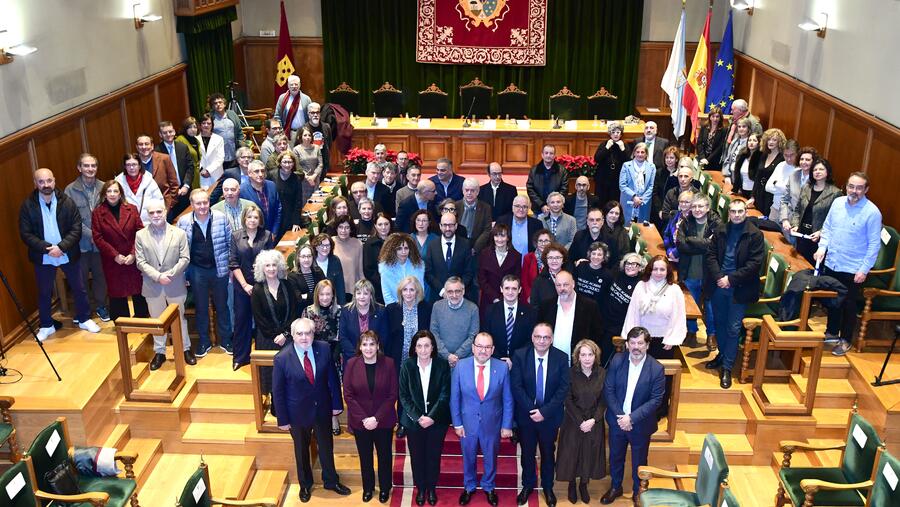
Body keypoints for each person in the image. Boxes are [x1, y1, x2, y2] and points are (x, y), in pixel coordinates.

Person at [272, 318, 351, 503]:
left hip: (322, 409)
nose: (304, 337)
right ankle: (305, 485)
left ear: (313, 334)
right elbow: (278, 391)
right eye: (299, 333)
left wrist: (337, 404)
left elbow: (332, 378)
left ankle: (331, 481)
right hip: (297, 414)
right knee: (301, 451)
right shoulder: (282, 358)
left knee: (326, 447)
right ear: (292, 335)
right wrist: (282, 419)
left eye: (308, 333)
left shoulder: (323, 348)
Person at [21, 168, 102, 341]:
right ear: (35, 183)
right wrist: (47, 248)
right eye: (41, 182)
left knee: (79, 288)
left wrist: (62, 247)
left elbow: (76, 227)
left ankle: (84, 318)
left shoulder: (67, 202)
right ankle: (46, 325)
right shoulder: (28, 205)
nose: (46, 185)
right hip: (43, 255)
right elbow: (25, 233)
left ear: (54, 181)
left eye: (49, 181)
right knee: (44, 292)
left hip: (67, 252)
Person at [815, 171, 882, 356]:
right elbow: (827, 228)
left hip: (853, 268)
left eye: (859, 188)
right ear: (846, 186)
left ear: (866, 189)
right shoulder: (837, 203)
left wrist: (864, 269)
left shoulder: (872, 212)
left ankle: (845, 339)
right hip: (832, 262)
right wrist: (822, 248)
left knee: (848, 305)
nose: (854, 191)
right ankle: (831, 332)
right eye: (851, 186)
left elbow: (874, 245)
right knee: (832, 300)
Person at [601, 327, 665, 506]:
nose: (636, 347)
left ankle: (639, 492)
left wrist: (632, 418)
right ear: (628, 344)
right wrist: (622, 417)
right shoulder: (617, 360)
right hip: (617, 421)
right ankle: (616, 486)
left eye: (640, 343)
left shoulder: (657, 368)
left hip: (640, 424)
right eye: (633, 343)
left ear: (647, 345)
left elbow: (656, 400)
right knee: (615, 456)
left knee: (639, 460)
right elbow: (609, 389)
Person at [705, 199, 765, 389]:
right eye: (733, 212)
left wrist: (730, 279)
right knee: (720, 323)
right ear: (728, 213)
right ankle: (722, 355)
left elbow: (754, 264)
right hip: (718, 286)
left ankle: (728, 367)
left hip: (739, 288)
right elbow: (711, 255)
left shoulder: (755, 235)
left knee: (733, 327)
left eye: (740, 211)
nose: (737, 215)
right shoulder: (721, 230)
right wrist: (719, 277)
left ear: (746, 212)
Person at [511, 322, 571, 507]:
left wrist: (544, 412)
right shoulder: (521, 355)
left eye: (546, 337)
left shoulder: (561, 358)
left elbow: (563, 389)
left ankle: (547, 487)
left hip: (549, 417)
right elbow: (517, 386)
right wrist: (532, 410)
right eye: (538, 337)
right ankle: (528, 485)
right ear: (532, 337)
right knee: (527, 453)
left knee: (547, 453)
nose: (542, 341)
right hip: (526, 417)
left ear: (551, 339)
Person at [451, 332, 514, 507]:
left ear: (493, 349)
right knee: (468, 457)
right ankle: (469, 487)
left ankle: (489, 487)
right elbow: (454, 398)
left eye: (487, 347)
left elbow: (507, 398)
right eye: (479, 346)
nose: (483, 351)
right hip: (467, 424)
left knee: (490, 458)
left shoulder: (501, 368)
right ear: (473, 348)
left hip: (492, 423)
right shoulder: (460, 367)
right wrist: (457, 423)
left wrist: (507, 424)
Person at [621, 256, 686, 416]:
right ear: (649, 269)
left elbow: (678, 316)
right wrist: (632, 339)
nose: (658, 272)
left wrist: (672, 339)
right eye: (655, 269)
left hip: (664, 341)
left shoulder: (674, 290)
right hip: (642, 341)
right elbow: (633, 312)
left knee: (661, 378)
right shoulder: (641, 286)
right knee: (641, 376)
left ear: (668, 271)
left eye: (662, 269)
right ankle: (637, 408)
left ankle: (660, 410)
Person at [134, 200, 194, 369]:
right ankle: (160, 352)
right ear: (147, 214)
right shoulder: (140, 235)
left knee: (180, 318)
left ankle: (185, 349)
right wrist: (158, 276)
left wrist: (170, 274)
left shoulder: (179, 233)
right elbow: (140, 262)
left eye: (159, 212)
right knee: (157, 321)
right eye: (151, 213)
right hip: (153, 285)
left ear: (165, 212)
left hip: (174, 283)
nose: (156, 216)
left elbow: (185, 258)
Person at [176, 189, 233, 357]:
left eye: (205, 202)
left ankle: (226, 340)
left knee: (223, 307)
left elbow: (230, 244)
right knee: (200, 307)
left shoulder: (221, 218)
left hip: (219, 269)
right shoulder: (184, 221)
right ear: (192, 205)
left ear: (210, 202)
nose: (202, 206)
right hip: (196, 270)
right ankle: (204, 341)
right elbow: (181, 249)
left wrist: (230, 268)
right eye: (198, 203)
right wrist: (185, 274)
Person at [343, 330, 398, 503]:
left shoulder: (389, 363)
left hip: (383, 421)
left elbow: (392, 394)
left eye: (372, 344)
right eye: (365, 344)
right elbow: (348, 395)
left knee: (384, 456)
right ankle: (368, 488)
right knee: (365, 457)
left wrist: (376, 418)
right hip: (361, 422)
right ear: (360, 346)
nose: (368, 348)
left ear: (378, 346)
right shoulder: (351, 364)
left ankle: (384, 488)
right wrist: (364, 419)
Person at [398, 330, 451, 506]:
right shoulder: (407, 365)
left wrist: (431, 417)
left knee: (433, 456)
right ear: (414, 348)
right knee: (417, 456)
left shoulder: (442, 365)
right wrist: (419, 417)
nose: (423, 349)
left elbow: (444, 395)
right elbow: (404, 396)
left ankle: (431, 488)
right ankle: (421, 488)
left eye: (426, 345)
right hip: (414, 423)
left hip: (437, 422)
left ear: (433, 347)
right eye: (419, 346)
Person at [556, 339, 607, 504]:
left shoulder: (602, 373)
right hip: (573, 420)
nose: (587, 358)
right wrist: (580, 421)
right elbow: (567, 399)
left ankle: (584, 485)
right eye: (583, 354)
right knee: (572, 454)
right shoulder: (570, 373)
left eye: (590, 354)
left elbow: (604, 400)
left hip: (594, 421)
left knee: (589, 454)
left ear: (595, 355)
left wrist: (593, 420)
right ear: (577, 356)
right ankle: (572, 484)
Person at [92, 179, 149, 321]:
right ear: (104, 194)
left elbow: (140, 233)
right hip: (112, 260)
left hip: (132, 258)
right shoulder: (98, 213)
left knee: (138, 289)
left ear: (120, 193)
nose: (112, 194)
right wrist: (115, 255)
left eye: (115, 191)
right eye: (109, 191)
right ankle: (122, 324)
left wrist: (133, 253)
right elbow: (98, 238)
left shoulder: (132, 209)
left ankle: (142, 319)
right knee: (117, 292)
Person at [250, 250, 297, 413]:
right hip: (267, 338)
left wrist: (285, 334)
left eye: (274, 265)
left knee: (290, 371)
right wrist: (275, 335)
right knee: (272, 373)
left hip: (288, 336)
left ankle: (289, 400)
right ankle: (275, 401)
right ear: (262, 268)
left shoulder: (287, 285)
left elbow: (294, 312)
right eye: (267, 265)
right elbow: (260, 319)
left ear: (280, 267)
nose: (271, 269)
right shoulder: (257, 290)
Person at [64, 153, 108, 322]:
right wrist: (91, 235)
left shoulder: (104, 187)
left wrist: (98, 236)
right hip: (80, 244)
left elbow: (108, 214)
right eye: (86, 166)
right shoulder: (70, 190)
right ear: (79, 168)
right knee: (80, 278)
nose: (90, 169)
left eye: (93, 166)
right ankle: (83, 310)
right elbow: (71, 218)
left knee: (100, 276)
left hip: (100, 243)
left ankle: (101, 306)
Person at [229, 204, 273, 370]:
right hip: (242, 286)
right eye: (249, 217)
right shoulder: (236, 236)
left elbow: (270, 262)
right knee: (242, 321)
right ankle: (240, 357)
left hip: (263, 286)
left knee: (264, 322)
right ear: (244, 219)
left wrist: (260, 285)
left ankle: (264, 357)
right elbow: (233, 263)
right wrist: (245, 285)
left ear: (260, 219)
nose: (252, 220)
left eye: (256, 217)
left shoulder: (267, 236)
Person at [677, 195, 722, 352]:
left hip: (710, 274)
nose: (697, 210)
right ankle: (691, 332)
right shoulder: (686, 222)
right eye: (694, 206)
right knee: (690, 305)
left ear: (708, 208)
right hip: (689, 271)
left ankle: (712, 334)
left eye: (701, 206)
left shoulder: (716, 223)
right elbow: (681, 245)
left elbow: (715, 245)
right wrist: (704, 243)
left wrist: (691, 240)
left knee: (710, 307)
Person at [301, 279, 344, 435]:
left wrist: (334, 355)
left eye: (328, 294)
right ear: (317, 295)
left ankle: (333, 417)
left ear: (333, 295)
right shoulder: (308, 311)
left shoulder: (340, 311)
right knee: (317, 388)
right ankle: (316, 417)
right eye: (322, 294)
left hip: (334, 354)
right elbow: (304, 336)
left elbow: (342, 336)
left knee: (333, 387)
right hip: (314, 354)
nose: (325, 297)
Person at [537, 270, 603, 359]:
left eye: (565, 284)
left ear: (573, 284)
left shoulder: (590, 306)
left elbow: (597, 335)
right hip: (552, 361)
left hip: (578, 362)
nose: (562, 288)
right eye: (558, 285)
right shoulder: (546, 306)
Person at [788, 158, 842, 264]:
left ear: (828, 172)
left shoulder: (835, 193)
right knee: (798, 264)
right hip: (802, 234)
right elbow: (798, 210)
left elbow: (835, 220)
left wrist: (821, 232)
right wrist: (795, 224)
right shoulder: (806, 188)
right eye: (815, 170)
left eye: (821, 169)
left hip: (818, 238)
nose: (817, 172)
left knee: (811, 268)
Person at [599, 253, 645, 366]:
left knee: (606, 354)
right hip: (602, 319)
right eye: (628, 263)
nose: (630, 266)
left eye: (635, 264)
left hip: (618, 326)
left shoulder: (641, 285)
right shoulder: (616, 274)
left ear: (640, 267)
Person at [424, 212, 476, 302]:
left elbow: (469, 272)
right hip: (437, 297)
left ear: (456, 226)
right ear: (440, 226)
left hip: (460, 298)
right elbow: (428, 273)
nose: (447, 229)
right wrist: (443, 291)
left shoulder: (466, 244)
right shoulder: (432, 245)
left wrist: (457, 290)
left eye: (451, 225)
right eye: (444, 225)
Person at [482, 275, 535, 364]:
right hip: (495, 361)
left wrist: (514, 359)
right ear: (501, 289)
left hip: (520, 362)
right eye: (507, 288)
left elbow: (530, 340)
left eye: (514, 289)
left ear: (520, 290)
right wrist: (500, 359)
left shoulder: (530, 312)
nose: (510, 292)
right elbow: (486, 336)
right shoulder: (490, 310)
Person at [430, 277, 479, 367]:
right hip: (441, 359)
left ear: (463, 291)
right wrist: (447, 355)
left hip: (465, 360)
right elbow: (434, 333)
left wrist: (456, 356)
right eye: (450, 292)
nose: (454, 295)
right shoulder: (437, 306)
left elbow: (473, 336)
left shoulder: (473, 308)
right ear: (445, 292)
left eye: (457, 291)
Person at [339, 279, 390, 363]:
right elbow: (343, 337)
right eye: (358, 293)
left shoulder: (381, 311)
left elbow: (384, 336)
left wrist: (371, 354)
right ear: (354, 295)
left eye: (365, 293)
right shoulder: (346, 311)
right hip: (352, 358)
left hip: (375, 358)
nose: (362, 296)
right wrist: (357, 355)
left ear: (371, 295)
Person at [477, 224, 522, 315]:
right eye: (496, 235)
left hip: (508, 299)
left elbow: (516, 279)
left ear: (508, 237)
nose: (499, 239)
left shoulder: (516, 256)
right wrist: (494, 297)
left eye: (502, 235)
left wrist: (503, 298)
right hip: (488, 299)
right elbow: (481, 279)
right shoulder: (484, 254)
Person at [155, 121, 194, 219]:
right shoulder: (156, 152)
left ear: (174, 132)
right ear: (160, 135)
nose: (168, 135)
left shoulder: (183, 147)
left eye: (170, 131)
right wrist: (173, 191)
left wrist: (186, 185)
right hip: (169, 196)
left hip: (185, 192)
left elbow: (190, 167)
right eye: (165, 133)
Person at [780, 146, 819, 241]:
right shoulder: (793, 174)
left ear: (813, 162)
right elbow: (784, 199)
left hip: (805, 224)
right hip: (788, 222)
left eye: (807, 160)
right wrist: (784, 219)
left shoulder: (816, 179)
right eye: (802, 159)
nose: (804, 162)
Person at [116, 153, 164, 225]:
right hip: (129, 225)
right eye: (128, 165)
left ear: (139, 166)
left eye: (134, 164)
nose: (131, 168)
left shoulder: (149, 180)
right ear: (125, 167)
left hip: (150, 223)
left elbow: (159, 202)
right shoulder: (118, 182)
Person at [379, 233, 426, 306]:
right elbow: (387, 295)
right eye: (399, 248)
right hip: (394, 308)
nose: (403, 252)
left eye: (406, 248)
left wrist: (413, 307)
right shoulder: (385, 267)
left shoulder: (418, 265)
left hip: (415, 306)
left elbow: (420, 290)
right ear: (392, 250)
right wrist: (396, 310)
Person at [136, 134, 179, 211]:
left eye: (146, 144)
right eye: (140, 144)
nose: (144, 147)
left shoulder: (164, 158)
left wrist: (170, 203)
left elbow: (174, 183)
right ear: (137, 147)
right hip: (142, 209)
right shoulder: (133, 162)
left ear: (152, 146)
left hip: (164, 206)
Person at [240, 160, 282, 236]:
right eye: (256, 171)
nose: (260, 174)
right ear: (249, 173)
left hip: (271, 234)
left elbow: (278, 209)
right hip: (252, 235)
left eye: (262, 171)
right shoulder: (242, 190)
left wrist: (274, 231)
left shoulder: (271, 185)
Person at [594, 121, 630, 206]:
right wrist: (607, 148)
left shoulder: (624, 145)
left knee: (615, 202)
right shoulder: (604, 144)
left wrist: (622, 149)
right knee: (602, 202)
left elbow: (628, 162)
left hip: (617, 180)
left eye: (618, 132)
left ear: (621, 134)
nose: (616, 134)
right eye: (613, 132)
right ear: (610, 134)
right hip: (603, 179)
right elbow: (597, 159)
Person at [752, 128, 787, 216]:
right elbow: (757, 177)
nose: (770, 142)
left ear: (779, 142)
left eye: (774, 140)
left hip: (771, 196)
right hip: (759, 193)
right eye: (769, 139)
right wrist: (753, 195)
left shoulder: (782, 159)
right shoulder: (764, 155)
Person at [619, 142, 655, 224]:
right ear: (634, 153)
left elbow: (651, 186)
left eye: (642, 152)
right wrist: (634, 197)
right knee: (625, 227)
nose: (640, 154)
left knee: (642, 229)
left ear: (646, 154)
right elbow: (622, 185)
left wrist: (641, 200)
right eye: (637, 152)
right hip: (628, 201)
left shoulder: (652, 167)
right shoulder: (626, 165)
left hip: (644, 203)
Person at [269, 150, 303, 237]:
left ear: (293, 164)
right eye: (284, 162)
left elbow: (298, 201)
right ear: (280, 163)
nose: (287, 165)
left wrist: (296, 222)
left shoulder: (296, 179)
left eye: (290, 162)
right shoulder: (271, 175)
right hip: (274, 215)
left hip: (289, 216)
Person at [527, 145, 568, 215]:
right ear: (542, 155)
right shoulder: (534, 170)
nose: (548, 155)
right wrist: (542, 205)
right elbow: (530, 189)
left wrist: (554, 204)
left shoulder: (562, 171)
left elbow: (564, 189)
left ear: (554, 155)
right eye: (546, 153)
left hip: (556, 209)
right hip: (538, 209)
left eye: (551, 153)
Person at [208, 92, 245, 168]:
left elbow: (239, 132)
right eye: (215, 103)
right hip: (218, 156)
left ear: (224, 104)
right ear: (212, 106)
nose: (218, 105)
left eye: (220, 102)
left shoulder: (232, 114)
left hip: (233, 153)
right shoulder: (210, 117)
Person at [766, 139, 799, 221]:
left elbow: (794, 194)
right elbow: (768, 187)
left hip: (790, 213)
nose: (788, 159)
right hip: (775, 208)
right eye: (786, 155)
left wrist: (776, 184)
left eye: (791, 155)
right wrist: (785, 189)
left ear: (797, 154)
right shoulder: (781, 165)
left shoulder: (800, 169)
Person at [288, 244, 325, 317]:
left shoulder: (318, 271)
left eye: (309, 256)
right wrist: (317, 295)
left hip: (320, 310)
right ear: (298, 258)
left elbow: (325, 291)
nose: (306, 259)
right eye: (303, 256)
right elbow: (298, 299)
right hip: (302, 313)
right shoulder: (292, 276)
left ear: (312, 257)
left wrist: (306, 295)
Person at [331, 216, 364, 297]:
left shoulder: (358, 243)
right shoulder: (330, 242)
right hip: (335, 289)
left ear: (351, 229)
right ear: (336, 228)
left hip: (353, 289)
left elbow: (360, 270)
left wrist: (364, 287)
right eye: (340, 227)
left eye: (347, 227)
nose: (343, 231)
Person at [573, 241, 613, 307]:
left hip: (594, 309)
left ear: (604, 257)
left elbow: (605, 297)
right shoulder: (580, 266)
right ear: (589, 254)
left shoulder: (608, 275)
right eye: (593, 253)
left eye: (599, 255)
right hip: (576, 304)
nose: (596, 257)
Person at [456, 177, 492, 249]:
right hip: (458, 245)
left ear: (477, 192)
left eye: (472, 191)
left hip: (477, 246)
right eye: (467, 190)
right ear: (463, 191)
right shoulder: (456, 206)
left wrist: (475, 248)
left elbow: (487, 230)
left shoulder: (485, 208)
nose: (469, 193)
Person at [363, 213, 392, 303]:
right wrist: (383, 282)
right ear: (375, 226)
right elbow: (368, 269)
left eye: (386, 224)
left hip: (395, 284)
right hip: (377, 288)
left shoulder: (396, 241)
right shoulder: (369, 244)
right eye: (380, 224)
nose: (383, 227)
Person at [651, 146, 682, 228]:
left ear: (676, 159)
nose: (669, 160)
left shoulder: (681, 174)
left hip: (674, 210)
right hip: (659, 209)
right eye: (667, 157)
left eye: (671, 158)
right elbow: (654, 192)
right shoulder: (659, 172)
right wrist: (660, 210)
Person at [274, 75, 312, 142]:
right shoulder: (282, 98)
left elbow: (310, 116)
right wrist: (280, 131)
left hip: (303, 133)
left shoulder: (306, 99)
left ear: (299, 85)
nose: (294, 86)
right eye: (291, 85)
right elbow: (277, 116)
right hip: (289, 133)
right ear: (288, 86)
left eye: (296, 84)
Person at [529, 242, 567, 306]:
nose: (554, 261)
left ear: (563, 260)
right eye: (550, 258)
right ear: (546, 260)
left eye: (557, 257)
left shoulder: (569, 278)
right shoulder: (538, 281)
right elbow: (534, 305)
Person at [293, 124, 323, 206]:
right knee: (305, 204)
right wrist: (307, 177)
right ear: (300, 137)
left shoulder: (317, 148)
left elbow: (320, 164)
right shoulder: (296, 150)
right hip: (303, 181)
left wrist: (313, 176)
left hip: (315, 179)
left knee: (316, 202)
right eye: (305, 135)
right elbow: (297, 166)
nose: (307, 137)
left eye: (309, 135)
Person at [521, 229, 553, 303]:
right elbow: (524, 280)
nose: (543, 243)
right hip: (531, 297)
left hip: (550, 297)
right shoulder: (528, 257)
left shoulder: (554, 258)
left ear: (551, 243)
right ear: (536, 243)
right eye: (540, 241)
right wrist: (530, 296)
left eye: (546, 241)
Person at [196, 114, 225, 189]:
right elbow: (194, 159)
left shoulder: (219, 139)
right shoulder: (195, 139)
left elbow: (220, 158)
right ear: (200, 125)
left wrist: (209, 170)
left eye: (209, 123)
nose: (206, 125)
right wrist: (202, 170)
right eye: (203, 123)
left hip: (215, 173)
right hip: (200, 174)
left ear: (212, 125)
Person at [720, 117, 753, 183]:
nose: (741, 129)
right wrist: (727, 175)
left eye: (744, 127)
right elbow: (728, 159)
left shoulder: (750, 143)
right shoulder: (735, 141)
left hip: (742, 179)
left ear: (748, 128)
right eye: (739, 127)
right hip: (731, 176)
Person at [598, 201, 630, 268]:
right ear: (606, 213)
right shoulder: (598, 229)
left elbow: (626, 251)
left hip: (618, 267)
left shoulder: (623, 231)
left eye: (617, 213)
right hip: (600, 264)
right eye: (611, 212)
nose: (614, 216)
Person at [730, 132, 761, 200]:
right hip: (743, 190)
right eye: (749, 140)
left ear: (759, 143)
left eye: (754, 141)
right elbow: (737, 173)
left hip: (754, 193)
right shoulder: (743, 155)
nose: (751, 143)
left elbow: (758, 178)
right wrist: (735, 189)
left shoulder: (760, 157)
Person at [698, 105, 727, 171]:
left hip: (714, 161)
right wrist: (702, 157)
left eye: (717, 117)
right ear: (710, 117)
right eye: (713, 116)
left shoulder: (724, 130)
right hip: (703, 159)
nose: (715, 119)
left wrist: (707, 160)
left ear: (720, 118)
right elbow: (699, 143)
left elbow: (720, 147)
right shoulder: (704, 127)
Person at [175, 116, 202, 189]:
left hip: (197, 175)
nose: (193, 129)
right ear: (185, 128)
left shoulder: (196, 141)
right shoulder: (179, 140)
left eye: (195, 127)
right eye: (190, 127)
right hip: (186, 177)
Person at [305, 102, 332, 172]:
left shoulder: (326, 127)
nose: (315, 115)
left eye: (317, 112)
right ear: (308, 114)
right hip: (309, 163)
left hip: (324, 162)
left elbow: (329, 144)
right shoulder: (303, 129)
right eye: (312, 113)